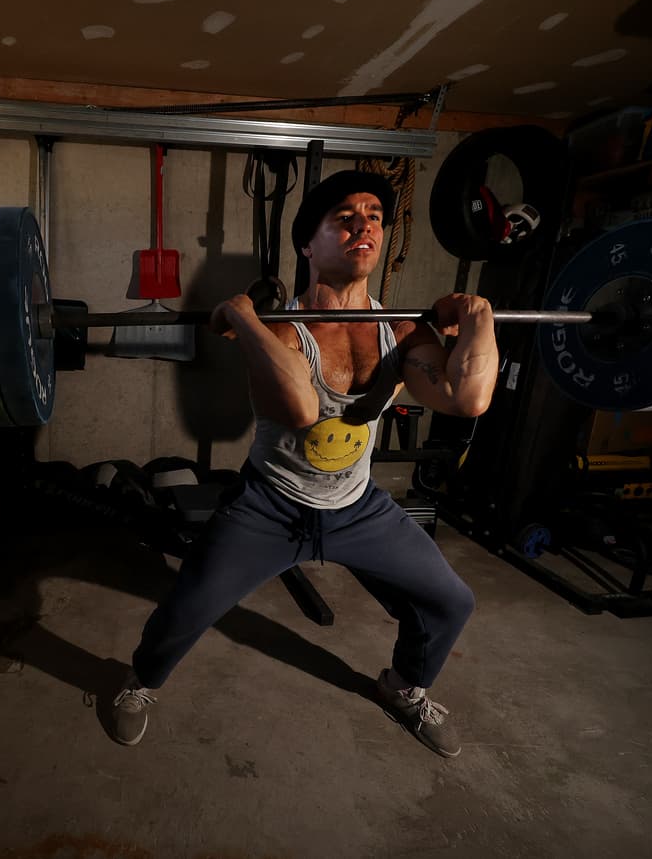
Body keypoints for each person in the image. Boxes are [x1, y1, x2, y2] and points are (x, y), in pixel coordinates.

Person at [111, 169, 498, 758]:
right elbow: (300, 409)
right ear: (308, 245)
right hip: (269, 504)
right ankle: (140, 681)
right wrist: (246, 316)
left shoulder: (398, 331)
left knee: (451, 600)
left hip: (358, 506)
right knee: (188, 605)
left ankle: (403, 687)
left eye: (374, 217)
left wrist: (478, 316)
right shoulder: (285, 331)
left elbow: (467, 398)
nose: (364, 226)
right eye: (344, 218)